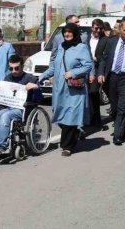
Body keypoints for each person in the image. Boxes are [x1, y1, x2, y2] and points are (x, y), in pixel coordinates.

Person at [39, 23, 93, 157]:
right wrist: (42, 76)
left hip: (74, 89)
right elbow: (54, 67)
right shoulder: (62, 48)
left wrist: (73, 73)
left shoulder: (81, 48)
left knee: (71, 116)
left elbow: (88, 66)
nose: (67, 34)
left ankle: (67, 146)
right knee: (60, 115)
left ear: (75, 33)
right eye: (65, 32)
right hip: (59, 89)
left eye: (69, 32)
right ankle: (76, 132)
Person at [0, 55, 43, 157]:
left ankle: (1, 146)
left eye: (16, 68)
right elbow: (0, 97)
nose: (13, 71)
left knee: (5, 117)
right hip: (8, 107)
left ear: (22, 66)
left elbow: (38, 99)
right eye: (11, 68)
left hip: (23, 109)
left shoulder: (31, 79)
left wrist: (36, 88)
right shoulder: (8, 78)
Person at [98, 21, 125, 146]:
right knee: (114, 108)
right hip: (112, 78)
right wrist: (101, 73)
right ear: (120, 30)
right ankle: (122, 127)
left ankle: (117, 135)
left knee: (123, 107)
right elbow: (104, 59)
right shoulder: (111, 41)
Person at [86, 19, 109, 132]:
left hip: (96, 68)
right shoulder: (85, 38)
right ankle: (87, 119)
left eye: (100, 28)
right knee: (85, 94)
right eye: (96, 28)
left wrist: (100, 73)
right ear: (92, 28)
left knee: (94, 92)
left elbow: (104, 58)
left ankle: (97, 120)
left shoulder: (104, 40)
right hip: (84, 69)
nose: (98, 30)